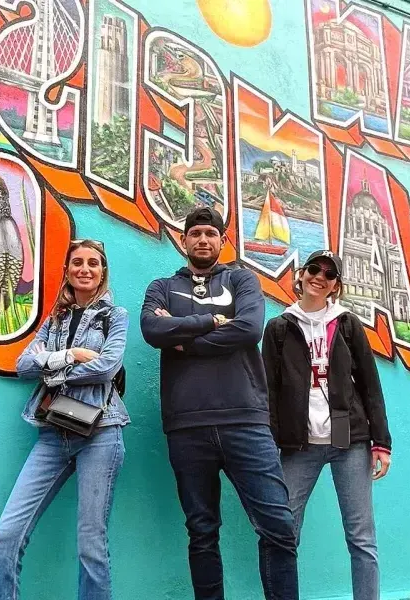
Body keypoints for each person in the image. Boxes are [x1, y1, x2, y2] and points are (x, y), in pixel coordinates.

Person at [140, 206, 298, 600]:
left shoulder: (243, 279)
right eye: (195, 234)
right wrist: (211, 322)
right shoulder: (161, 287)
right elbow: (151, 328)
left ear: (222, 241)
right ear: (184, 240)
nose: (203, 240)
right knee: (202, 531)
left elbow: (249, 328)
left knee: (278, 526)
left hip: (246, 421)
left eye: (211, 233)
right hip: (186, 425)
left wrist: (183, 341)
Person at [0, 239, 129, 600]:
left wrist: (50, 367)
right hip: (53, 435)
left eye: (93, 263)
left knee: (90, 544)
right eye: (77, 262)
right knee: (5, 537)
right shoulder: (55, 321)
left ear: (103, 272)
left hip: (101, 433)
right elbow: (22, 365)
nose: (85, 269)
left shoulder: (116, 317)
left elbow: (107, 367)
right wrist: (67, 354)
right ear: (66, 270)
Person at [261, 249, 392, 600]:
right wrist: (269, 441)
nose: (320, 277)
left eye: (329, 274)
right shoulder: (279, 328)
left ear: (335, 285)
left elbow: (369, 385)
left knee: (361, 535)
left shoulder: (347, 324)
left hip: (348, 439)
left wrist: (381, 443)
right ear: (301, 275)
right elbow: (268, 390)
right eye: (314, 269)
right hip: (298, 444)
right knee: (282, 531)